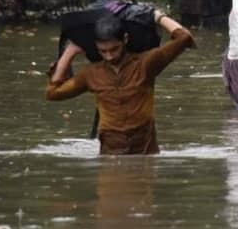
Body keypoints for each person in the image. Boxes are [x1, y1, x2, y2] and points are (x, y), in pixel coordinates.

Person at [46, 10, 195, 155]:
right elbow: (53, 93)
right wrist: (69, 53)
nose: (109, 56)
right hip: (110, 152)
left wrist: (158, 16)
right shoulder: (91, 74)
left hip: (145, 151)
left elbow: (184, 37)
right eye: (103, 51)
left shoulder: (146, 63)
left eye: (114, 49)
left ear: (125, 39)